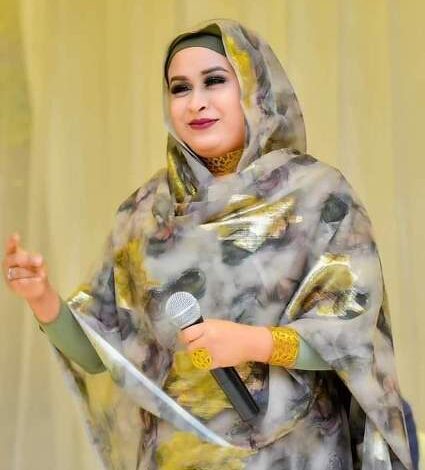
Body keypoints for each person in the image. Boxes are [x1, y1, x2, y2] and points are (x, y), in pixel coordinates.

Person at [2, 18, 416, 469]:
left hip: (296, 454)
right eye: (180, 88)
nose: (196, 102)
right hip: (176, 456)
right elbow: (104, 355)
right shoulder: (144, 214)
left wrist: (253, 343)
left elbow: (353, 340)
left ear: (255, 89)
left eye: (214, 81)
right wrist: (41, 298)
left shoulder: (318, 196)